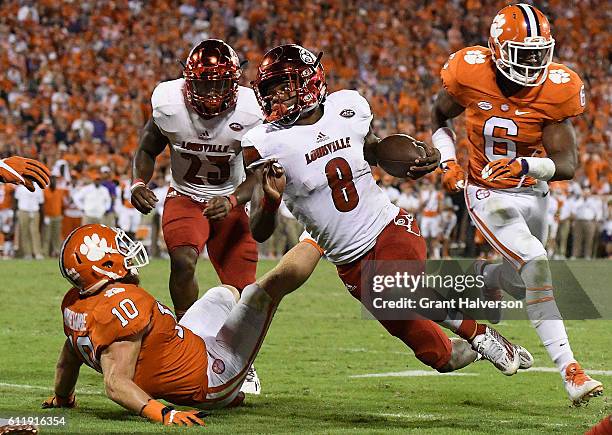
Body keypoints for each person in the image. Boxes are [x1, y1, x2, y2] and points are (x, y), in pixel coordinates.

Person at [242, 44, 531, 377]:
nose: (277, 97)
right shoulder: (263, 143)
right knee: (442, 358)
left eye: (284, 86)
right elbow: (258, 230)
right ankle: (483, 319)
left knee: (395, 284)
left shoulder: (346, 108)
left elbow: (376, 152)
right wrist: (270, 201)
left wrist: (416, 158)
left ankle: (480, 330)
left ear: (309, 81)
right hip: (349, 262)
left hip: (387, 228)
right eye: (270, 90)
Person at [431, 4, 602, 404]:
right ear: (497, 48)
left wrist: (524, 164)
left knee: (515, 280)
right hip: (486, 190)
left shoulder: (557, 88)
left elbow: (567, 165)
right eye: (525, 53)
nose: (535, 62)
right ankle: (571, 371)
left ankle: (470, 280)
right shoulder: (469, 72)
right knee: (536, 263)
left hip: (532, 189)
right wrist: (448, 161)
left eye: (540, 52)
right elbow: (438, 117)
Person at [41, 224, 322, 424]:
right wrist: (163, 413)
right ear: (102, 264)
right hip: (211, 378)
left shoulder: (76, 301)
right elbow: (116, 382)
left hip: (187, 343)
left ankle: (236, 377)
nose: (126, 255)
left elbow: (69, 357)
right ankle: (321, 235)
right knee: (259, 293)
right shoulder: (122, 307)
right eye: (118, 250)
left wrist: (63, 397)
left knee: (223, 293)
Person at [130, 39, 263, 322]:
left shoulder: (252, 111)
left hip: (231, 201)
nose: (213, 93)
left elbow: (257, 172)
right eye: (204, 84)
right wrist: (138, 182)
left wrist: (232, 199)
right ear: (187, 80)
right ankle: (186, 333)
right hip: (185, 198)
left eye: (221, 84)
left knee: (244, 291)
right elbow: (146, 148)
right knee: (182, 261)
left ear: (235, 81)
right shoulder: (169, 105)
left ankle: (238, 358)